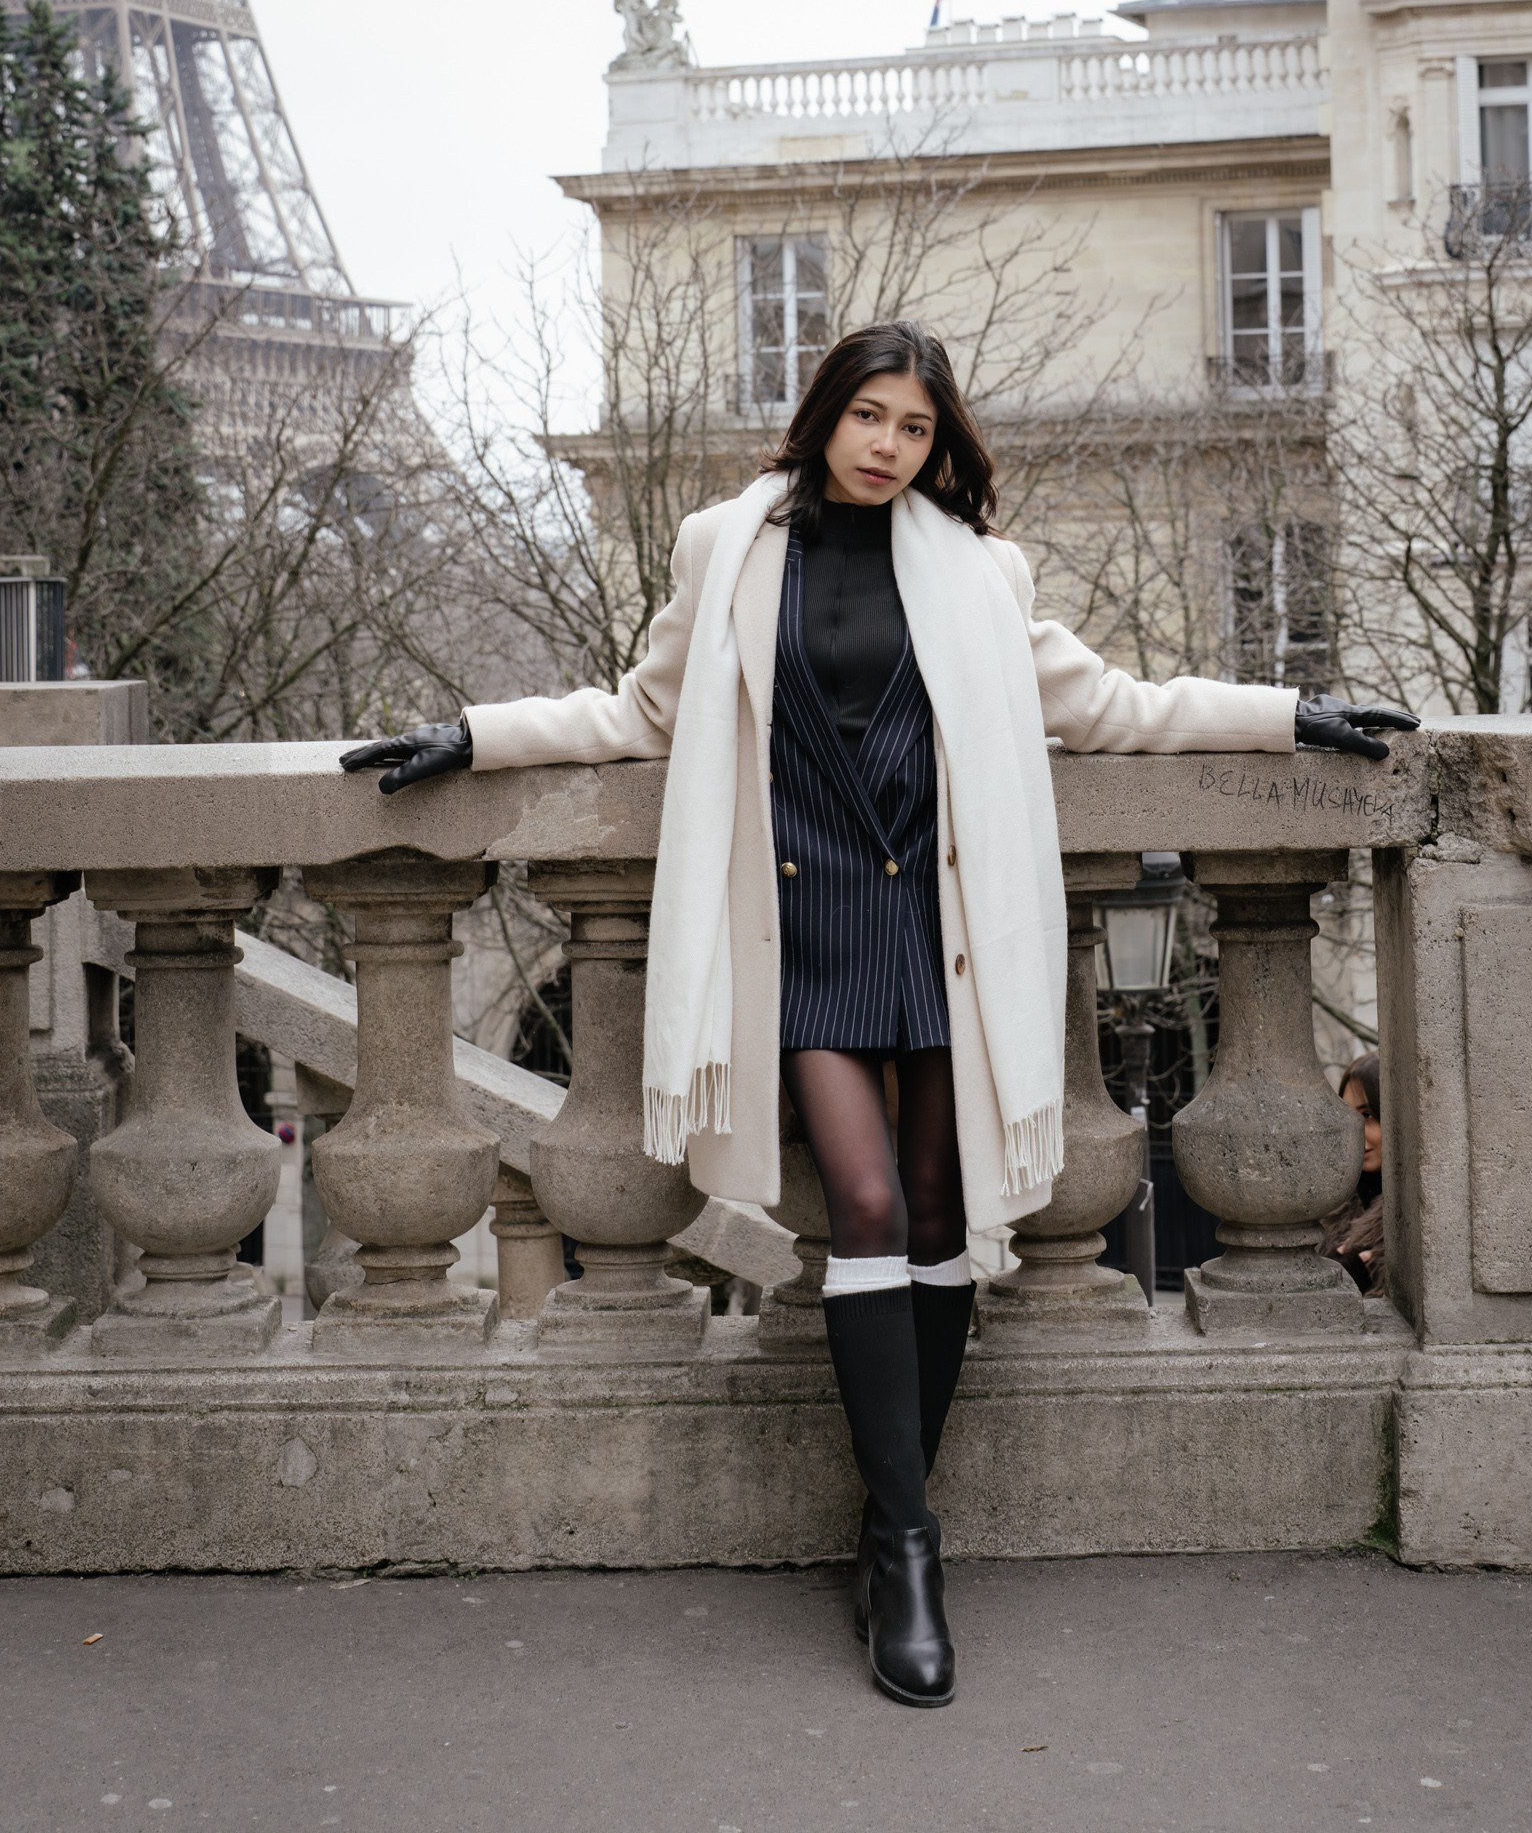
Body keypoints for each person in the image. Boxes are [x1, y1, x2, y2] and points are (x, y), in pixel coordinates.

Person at [343, 320, 1414, 1708]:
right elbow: (641, 711)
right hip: (808, 924)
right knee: (860, 1205)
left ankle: (889, 1519)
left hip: (938, 926)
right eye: (870, 417)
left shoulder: (977, 569)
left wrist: (1286, 715)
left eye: (915, 428)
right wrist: (475, 737)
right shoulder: (728, 547)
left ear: (935, 443)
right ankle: (909, 1546)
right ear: (826, 413)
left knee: (936, 1212)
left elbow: (1107, 706)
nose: (888, 447)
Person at [1324, 1049, 1384, 1291]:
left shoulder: (1416, 1214)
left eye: (1367, 1114)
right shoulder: (1329, 1206)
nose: (1355, 1131)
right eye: (1348, 1117)